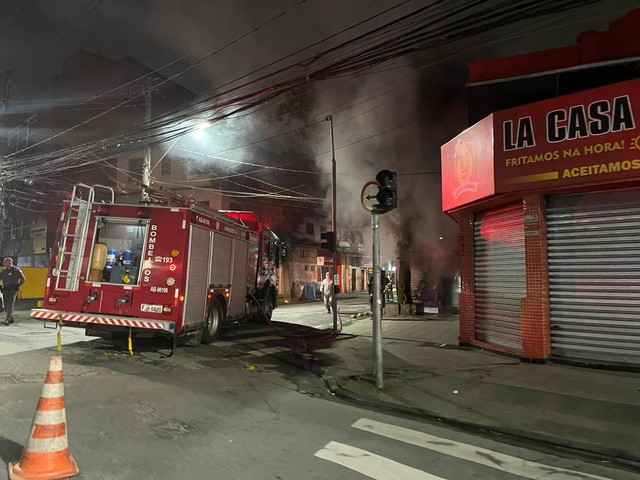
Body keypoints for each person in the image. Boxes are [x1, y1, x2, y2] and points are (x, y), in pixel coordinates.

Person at [0, 257, 25, 326]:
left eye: (5, 262)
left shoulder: (17, 270)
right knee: (5, 304)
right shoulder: (4, 271)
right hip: (5, 289)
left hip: (13, 289)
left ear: (9, 263)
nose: (3, 263)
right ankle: (10, 318)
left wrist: (18, 286)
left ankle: (7, 319)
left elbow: (23, 279)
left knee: (10, 303)